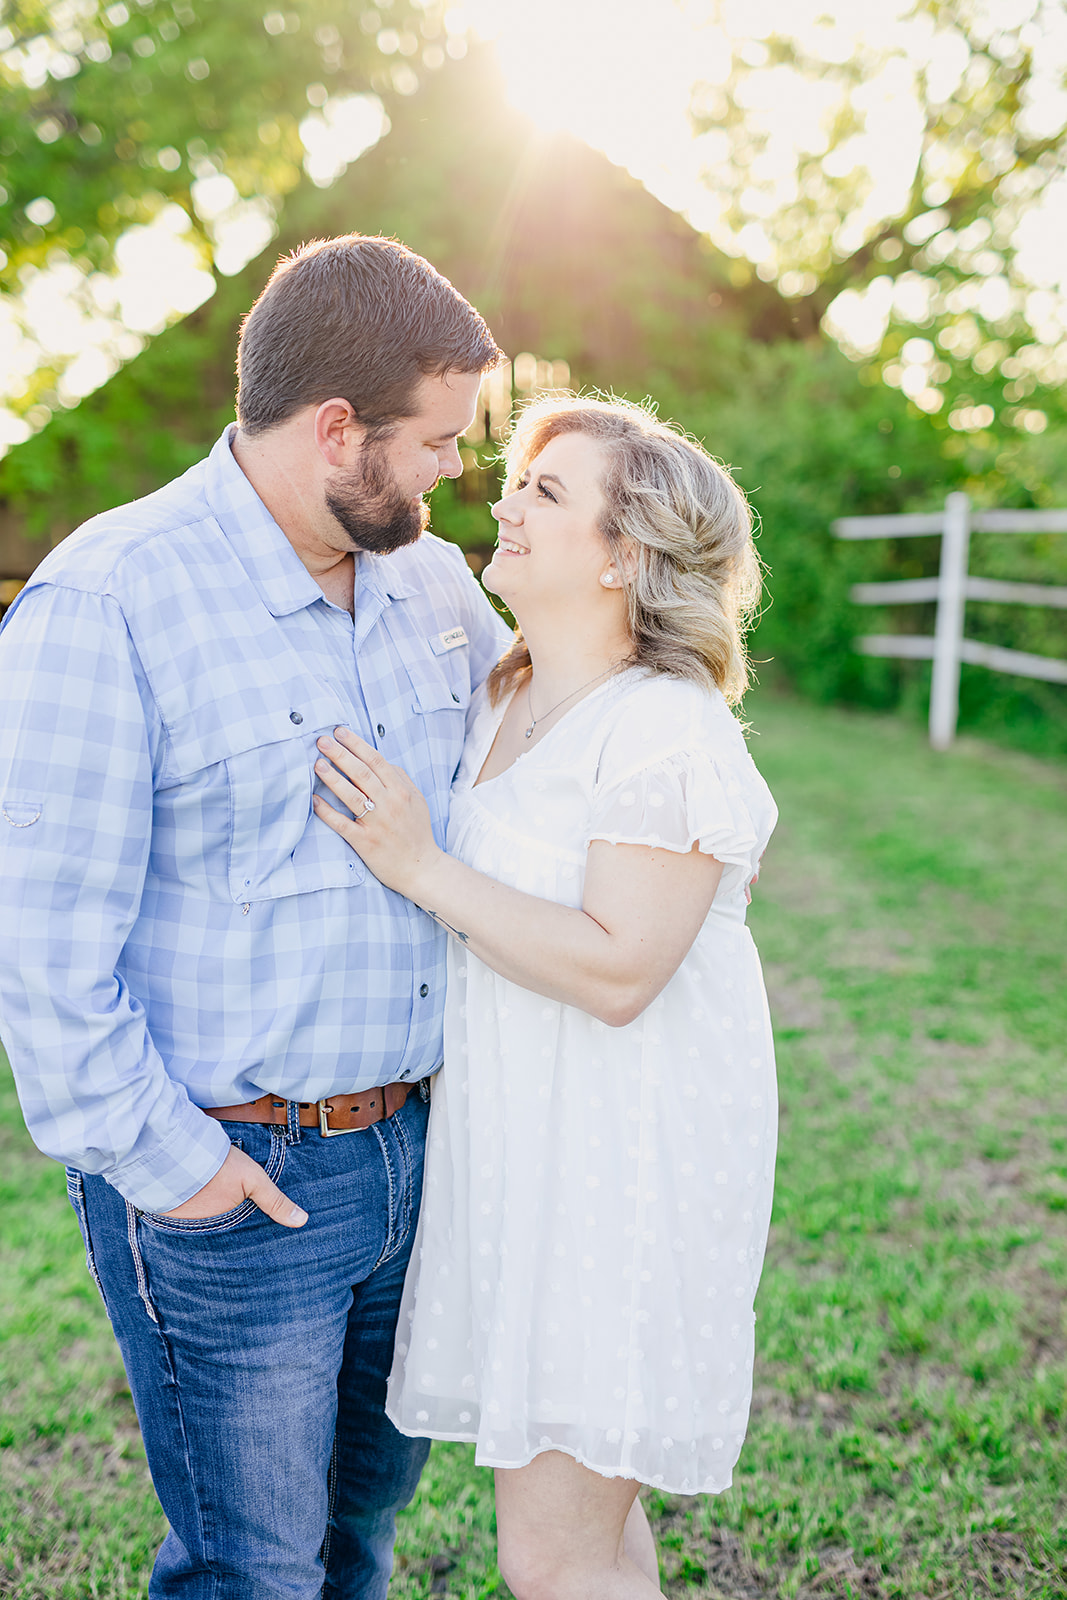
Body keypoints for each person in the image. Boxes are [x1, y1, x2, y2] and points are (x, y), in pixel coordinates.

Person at [0, 234, 512, 1599]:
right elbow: (45, 955)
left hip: (416, 1157)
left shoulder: (432, 588)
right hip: (242, 1189)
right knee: (250, 1573)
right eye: (437, 442)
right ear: (334, 430)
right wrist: (180, 1174)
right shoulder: (107, 601)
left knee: (357, 1542)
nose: (456, 472)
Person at [313, 394, 779, 1598]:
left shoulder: (664, 731)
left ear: (624, 555)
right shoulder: (504, 696)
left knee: (553, 1554)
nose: (504, 502)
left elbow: (619, 969)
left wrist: (422, 865)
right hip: (531, 1155)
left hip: (622, 1171)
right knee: (589, 1536)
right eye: (515, 480)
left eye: (546, 491)